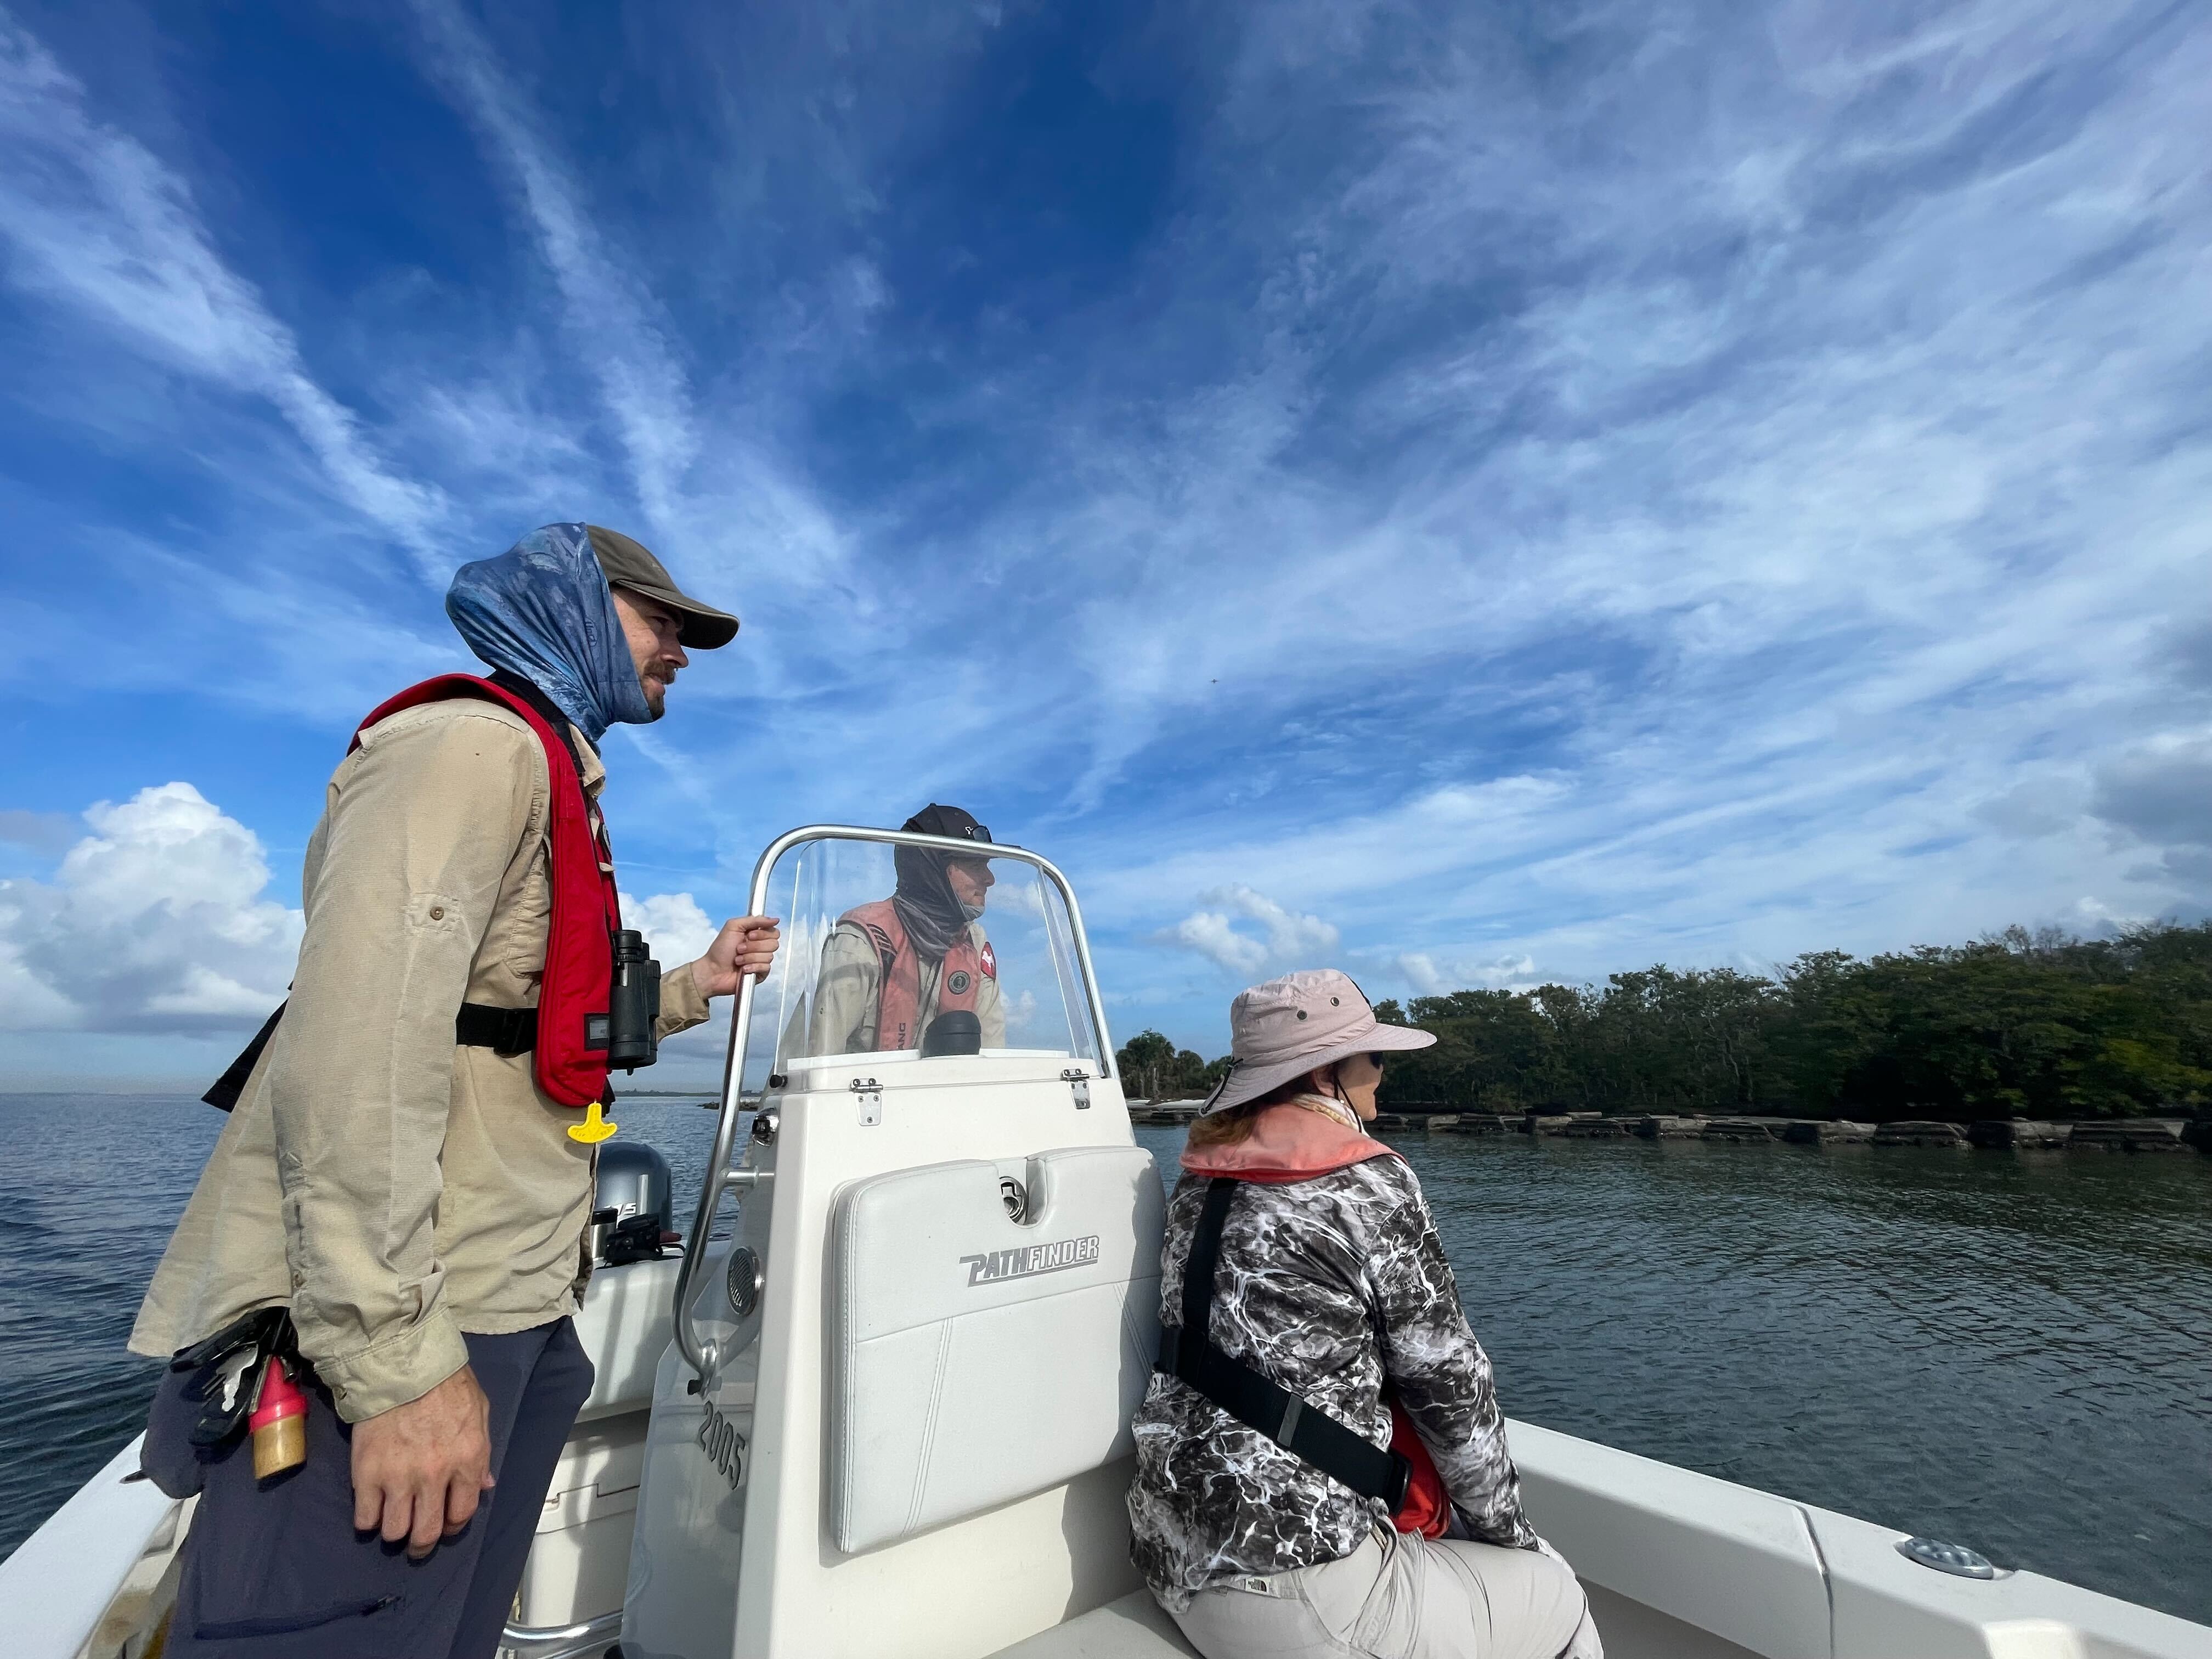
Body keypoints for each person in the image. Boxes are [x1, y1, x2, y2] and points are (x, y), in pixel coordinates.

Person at [126, 522, 782, 1659]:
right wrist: (392, 1368)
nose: (680, 647)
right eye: (658, 619)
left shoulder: (554, 774)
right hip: (429, 1315)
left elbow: (528, 1027)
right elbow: (357, 1049)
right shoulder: (467, 750)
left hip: (519, 1290)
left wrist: (697, 986)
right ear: (568, 601)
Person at [1127, 969, 1601, 1659]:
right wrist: (1513, 1541)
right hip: (1295, 1588)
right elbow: (1450, 1387)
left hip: (1171, 1558)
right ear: (1326, 1073)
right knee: (1557, 1593)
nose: (1382, 1073)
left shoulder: (1202, 1177)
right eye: (1374, 1056)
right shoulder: (1366, 1182)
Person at [809, 802, 1006, 1054]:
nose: (990, 879)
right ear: (931, 872)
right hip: (864, 1094)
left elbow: (993, 1059)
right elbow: (811, 1067)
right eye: (976, 866)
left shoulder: (975, 943)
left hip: (949, 1093)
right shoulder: (863, 940)